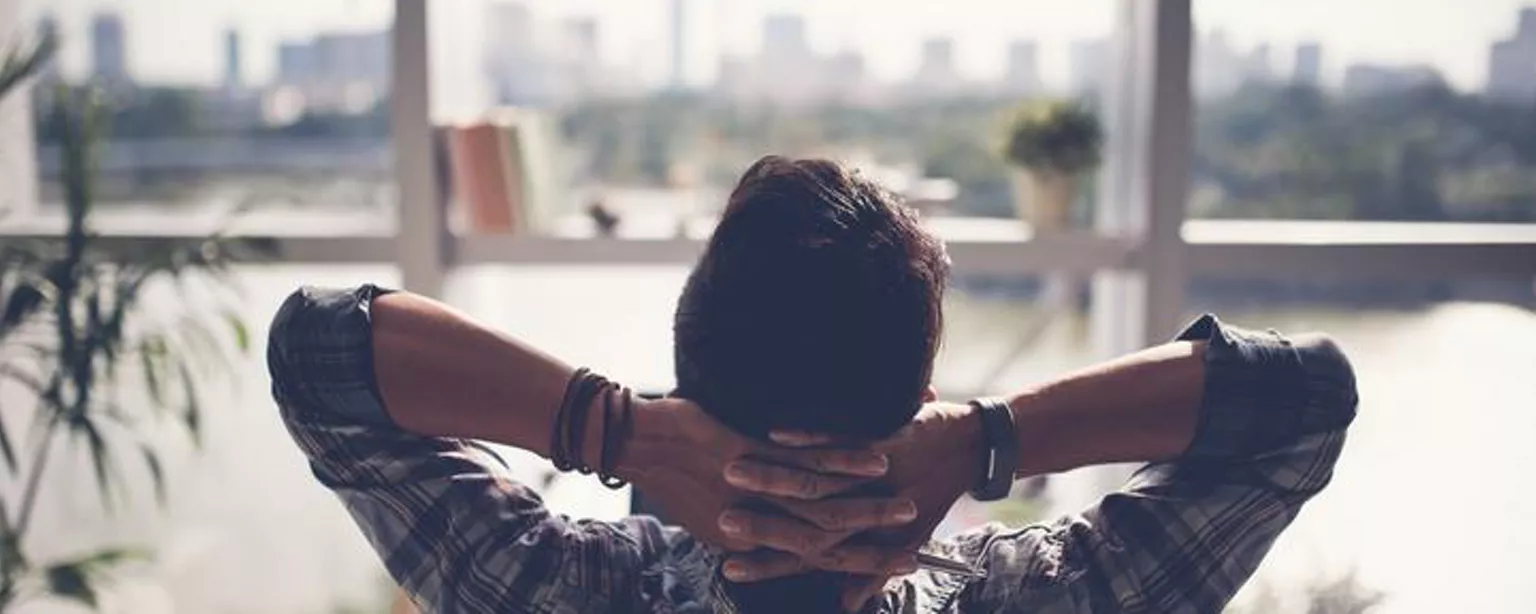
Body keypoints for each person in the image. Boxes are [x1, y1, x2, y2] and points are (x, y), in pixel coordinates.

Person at [267, 156, 1358, 614]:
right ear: (916, 396)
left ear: (690, 383)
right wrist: (984, 441)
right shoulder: (1038, 596)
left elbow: (322, 354)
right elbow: (1302, 398)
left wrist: (622, 435)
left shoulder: (562, 588)